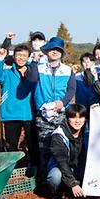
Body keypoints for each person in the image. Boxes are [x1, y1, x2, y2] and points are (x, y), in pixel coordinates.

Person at [26, 37, 76, 176]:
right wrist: (34, 62)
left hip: (61, 114)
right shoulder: (39, 68)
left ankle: (63, 176)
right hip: (43, 115)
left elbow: (71, 89)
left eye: (58, 50)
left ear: (62, 53)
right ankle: (45, 178)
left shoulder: (67, 70)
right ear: (46, 51)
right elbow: (31, 79)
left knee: (61, 146)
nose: (55, 52)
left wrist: (62, 102)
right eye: (52, 49)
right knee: (44, 147)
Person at [0, 43, 37, 167]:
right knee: (12, 146)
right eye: (18, 55)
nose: (21, 58)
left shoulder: (33, 73)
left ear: (28, 57)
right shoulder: (7, 73)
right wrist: (0, 59)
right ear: (14, 57)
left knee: (33, 145)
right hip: (11, 114)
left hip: (30, 114)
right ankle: (14, 169)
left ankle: (35, 169)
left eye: (24, 55)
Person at [46, 104, 88, 199]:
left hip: (79, 167)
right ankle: (57, 193)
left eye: (81, 117)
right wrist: (73, 183)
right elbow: (62, 162)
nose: (77, 121)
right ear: (67, 118)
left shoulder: (87, 131)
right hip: (61, 167)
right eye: (73, 117)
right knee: (55, 177)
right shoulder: (58, 136)